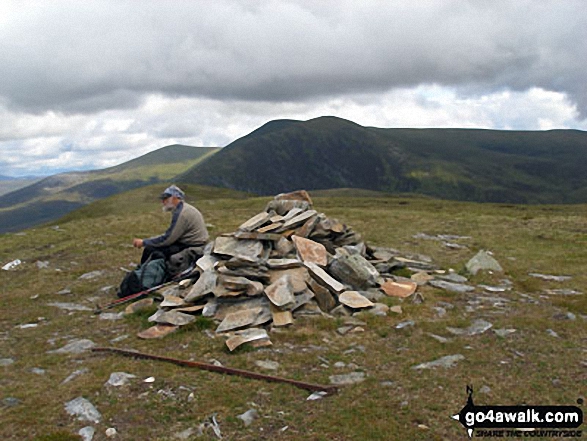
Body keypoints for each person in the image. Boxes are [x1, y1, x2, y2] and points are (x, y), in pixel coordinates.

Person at [133, 185, 209, 264]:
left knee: (151, 250)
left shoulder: (181, 213)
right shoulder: (184, 209)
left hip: (191, 245)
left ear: (175, 198)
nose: (163, 201)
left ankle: (143, 273)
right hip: (196, 243)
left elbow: (168, 238)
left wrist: (144, 242)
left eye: (166, 198)